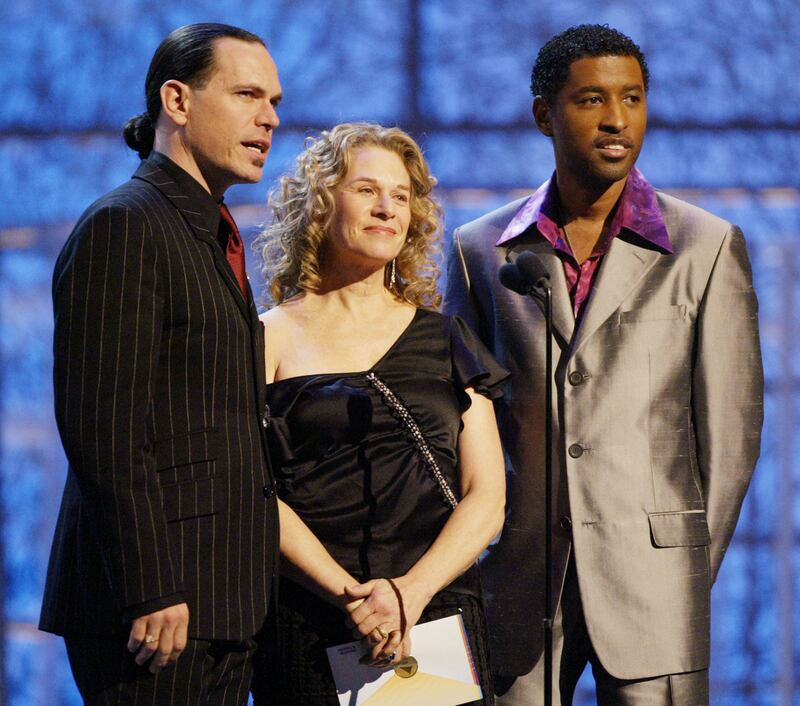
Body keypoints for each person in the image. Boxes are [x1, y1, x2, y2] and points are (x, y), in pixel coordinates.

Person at [444, 24, 763, 706]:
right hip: (520, 580)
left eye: (633, 98)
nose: (617, 119)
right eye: (592, 99)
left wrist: (683, 575)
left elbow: (730, 439)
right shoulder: (480, 249)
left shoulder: (705, 246)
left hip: (654, 586)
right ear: (544, 115)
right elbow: (457, 422)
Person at [40, 23, 283, 704]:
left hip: (221, 602)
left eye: (274, 102)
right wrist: (149, 587)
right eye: (247, 95)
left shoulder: (202, 230)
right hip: (156, 610)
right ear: (177, 101)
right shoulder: (126, 224)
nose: (269, 119)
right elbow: (103, 427)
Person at [249, 122, 507, 705]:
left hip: (433, 613)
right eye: (366, 190)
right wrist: (352, 598)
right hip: (311, 618)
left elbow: (487, 495)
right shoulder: (266, 339)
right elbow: (253, 492)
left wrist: (409, 593)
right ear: (320, 204)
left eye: (400, 196)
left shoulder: (447, 339)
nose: (387, 208)